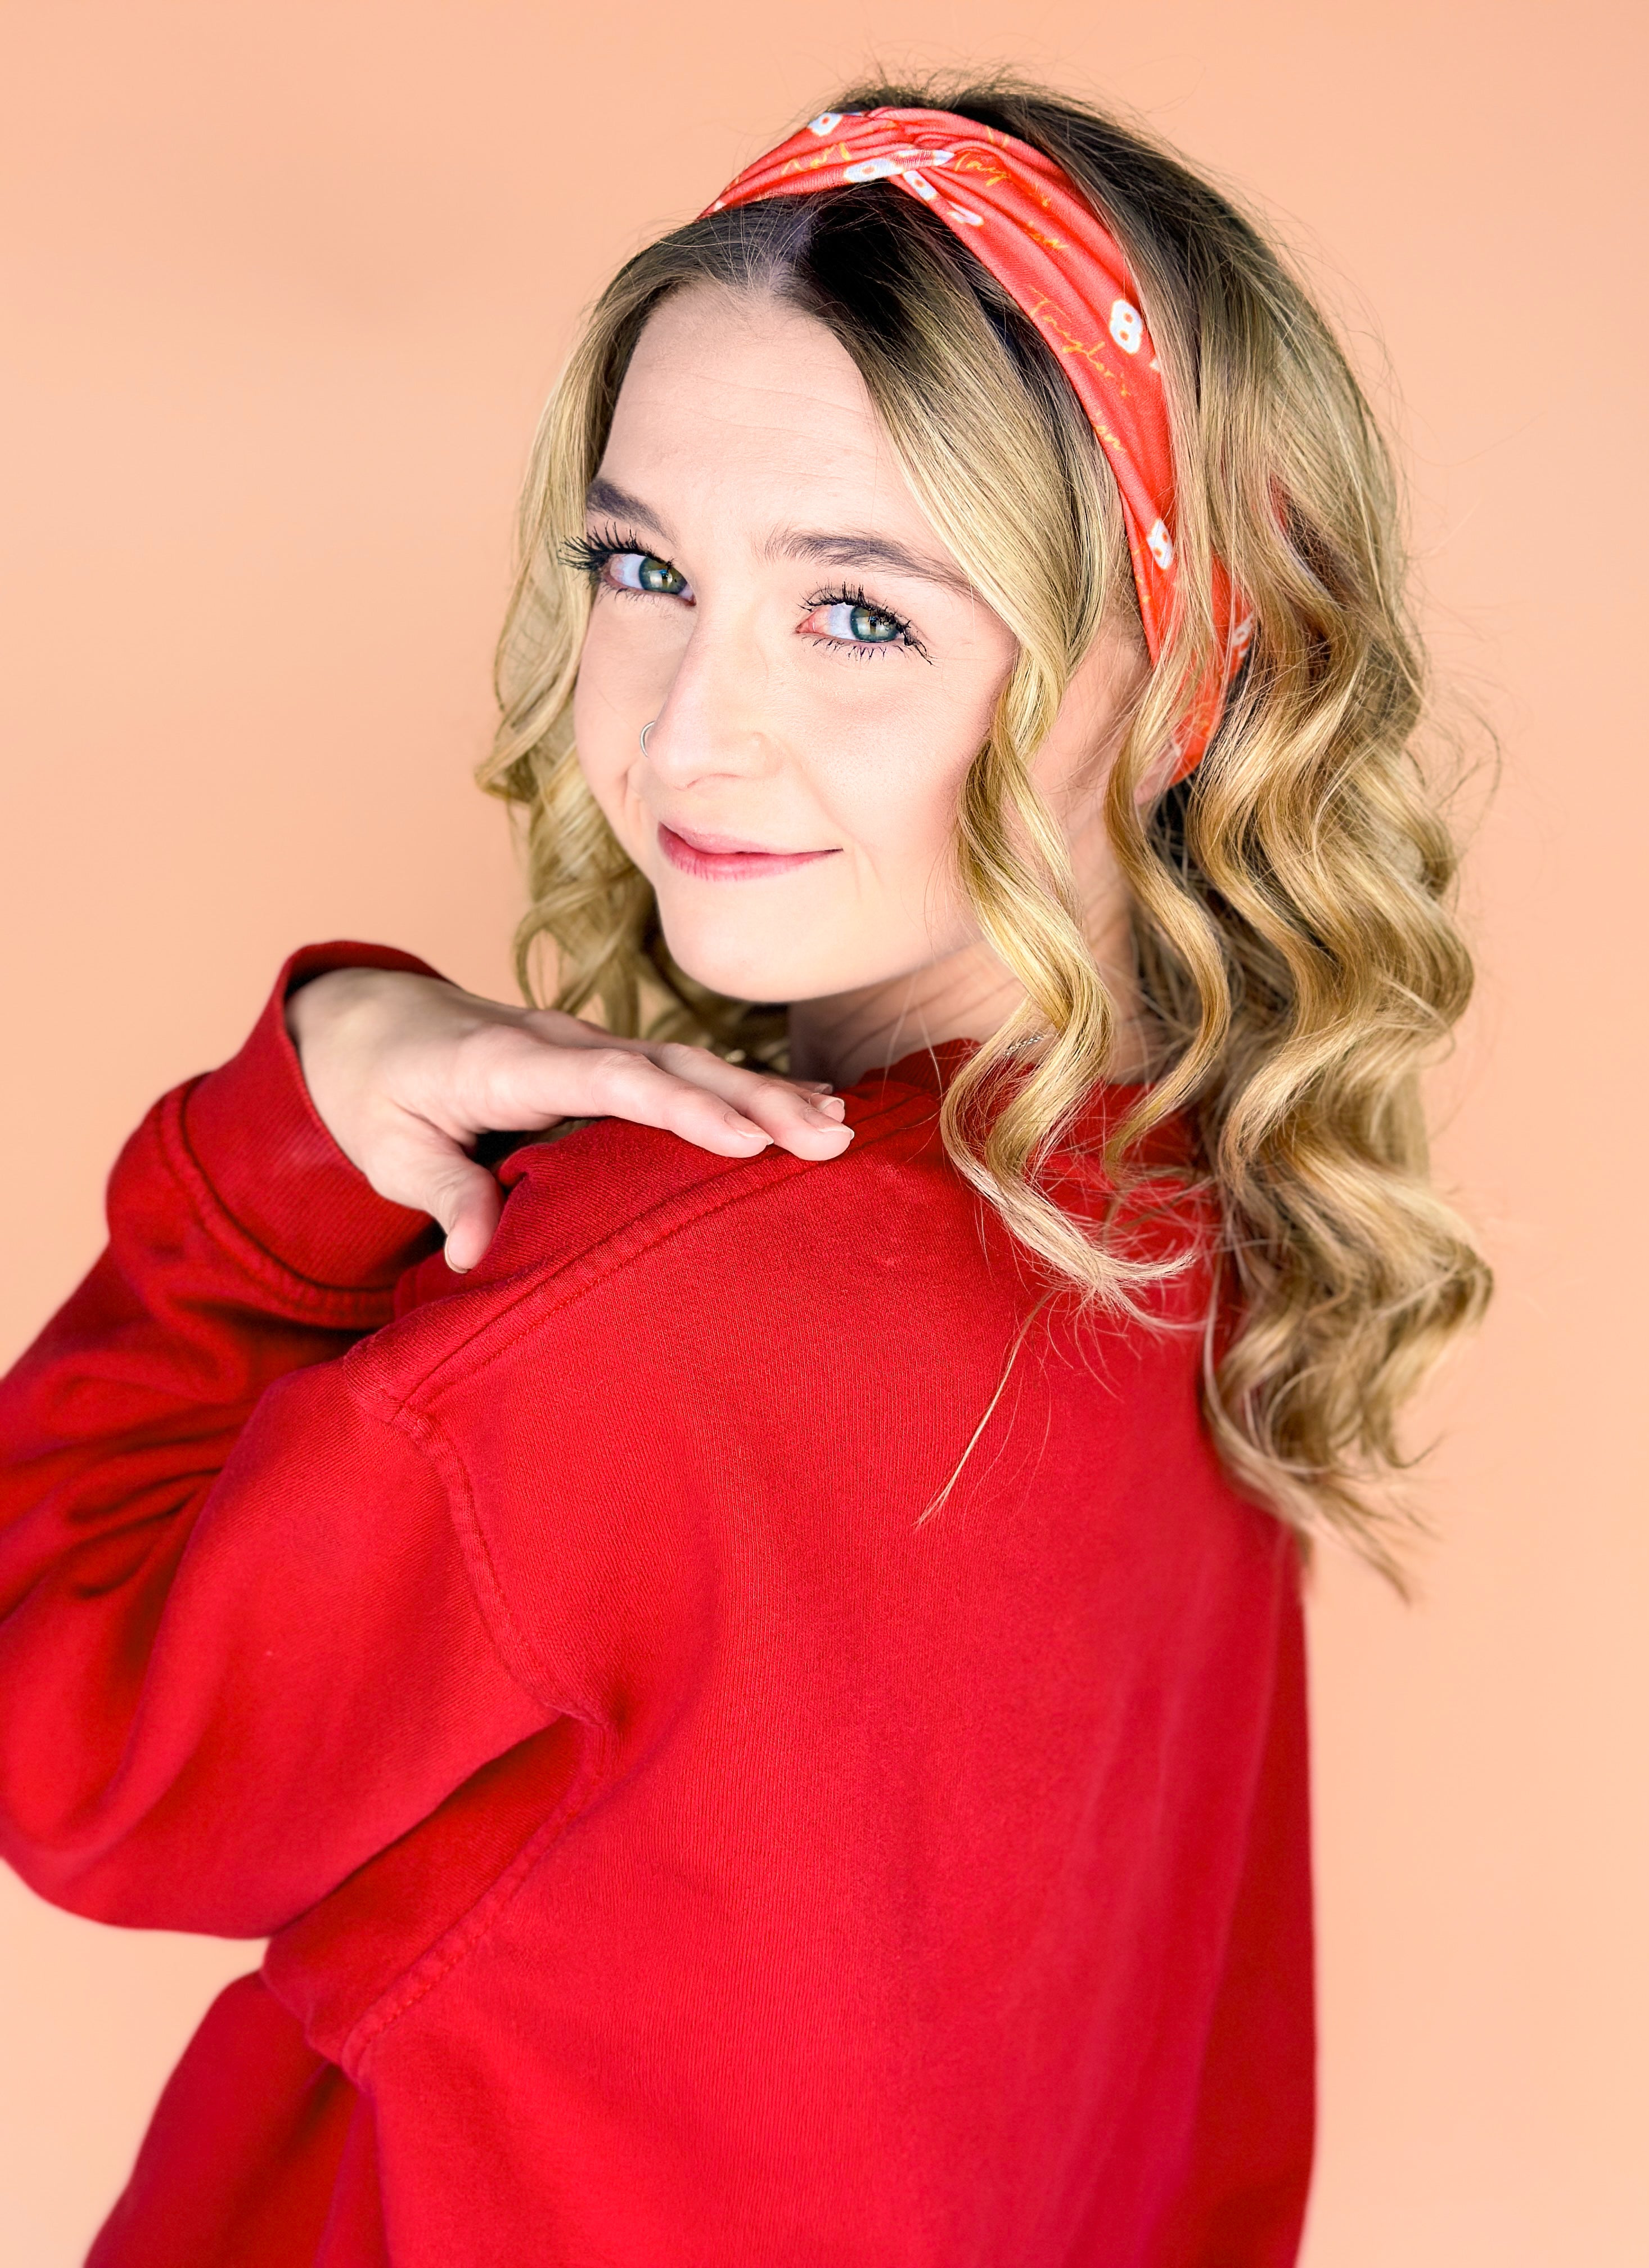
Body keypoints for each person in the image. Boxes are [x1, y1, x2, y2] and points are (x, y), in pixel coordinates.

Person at [0, 76, 1488, 2268]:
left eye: (860, 613)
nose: (689, 727)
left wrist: (279, 1139)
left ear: (1183, 683)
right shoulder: (1192, 1228)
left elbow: (76, 1762)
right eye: (643, 568)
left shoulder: (648, 1308)